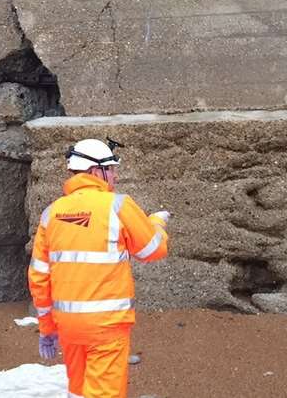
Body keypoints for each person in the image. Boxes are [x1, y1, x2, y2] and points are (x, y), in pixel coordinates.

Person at [27, 138, 171, 398]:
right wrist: (156, 224)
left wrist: (47, 328)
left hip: (69, 326)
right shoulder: (117, 205)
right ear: (96, 171)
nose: (114, 176)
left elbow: (39, 277)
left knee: (78, 391)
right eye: (112, 169)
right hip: (107, 326)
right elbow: (153, 250)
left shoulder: (52, 213)